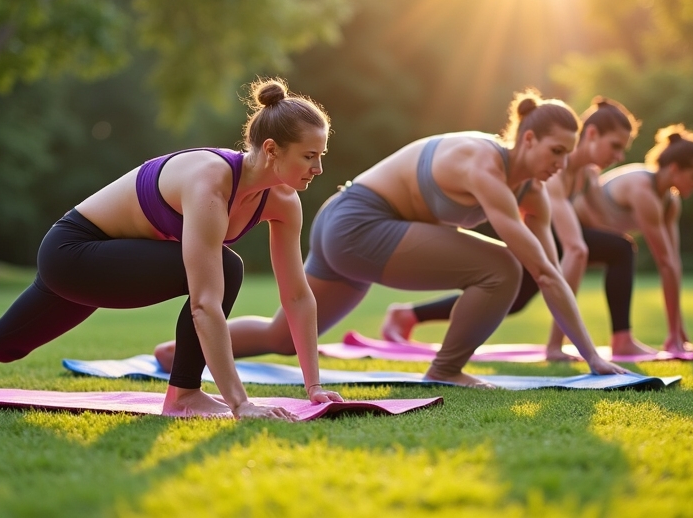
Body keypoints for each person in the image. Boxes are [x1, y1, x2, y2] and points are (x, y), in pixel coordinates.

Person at [0, 78, 344, 420]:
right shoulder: (210, 183)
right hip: (75, 252)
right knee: (226, 269)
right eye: (310, 156)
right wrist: (241, 403)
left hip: (110, 261)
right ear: (271, 150)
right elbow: (204, 303)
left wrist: (315, 385)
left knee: (5, 343)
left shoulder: (283, 203)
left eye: (321, 157)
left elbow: (297, 297)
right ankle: (184, 397)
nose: (318, 169)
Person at [156, 90, 630, 386]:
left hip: (349, 230)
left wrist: (587, 354)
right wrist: (592, 357)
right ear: (527, 140)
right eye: (556, 151)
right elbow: (541, 270)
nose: (562, 164)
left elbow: (551, 270)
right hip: (358, 224)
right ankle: (446, 370)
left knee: (285, 336)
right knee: (503, 267)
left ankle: (175, 354)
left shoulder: (535, 194)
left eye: (568, 154)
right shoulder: (484, 164)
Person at [380, 97, 660, 360]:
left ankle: (409, 316)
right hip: (536, 234)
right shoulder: (549, 174)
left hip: (546, 234)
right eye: (615, 146)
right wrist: (558, 347)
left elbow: (604, 222)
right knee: (508, 280)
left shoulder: (586, 175)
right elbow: (575, 250)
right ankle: (412, 319)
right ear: (592, 135)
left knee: (514, 297)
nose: (620, 155)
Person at [573, 124, 693, 353]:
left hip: (596, 243)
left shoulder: (670, 202)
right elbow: (664, 262)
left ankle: (667, 336)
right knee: (623, 249)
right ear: (674, 169)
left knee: (625, 250)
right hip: (566, 233)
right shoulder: (643, 190)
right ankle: (623, 342)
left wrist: (679, 335)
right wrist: (672, 339)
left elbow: (672, 263)